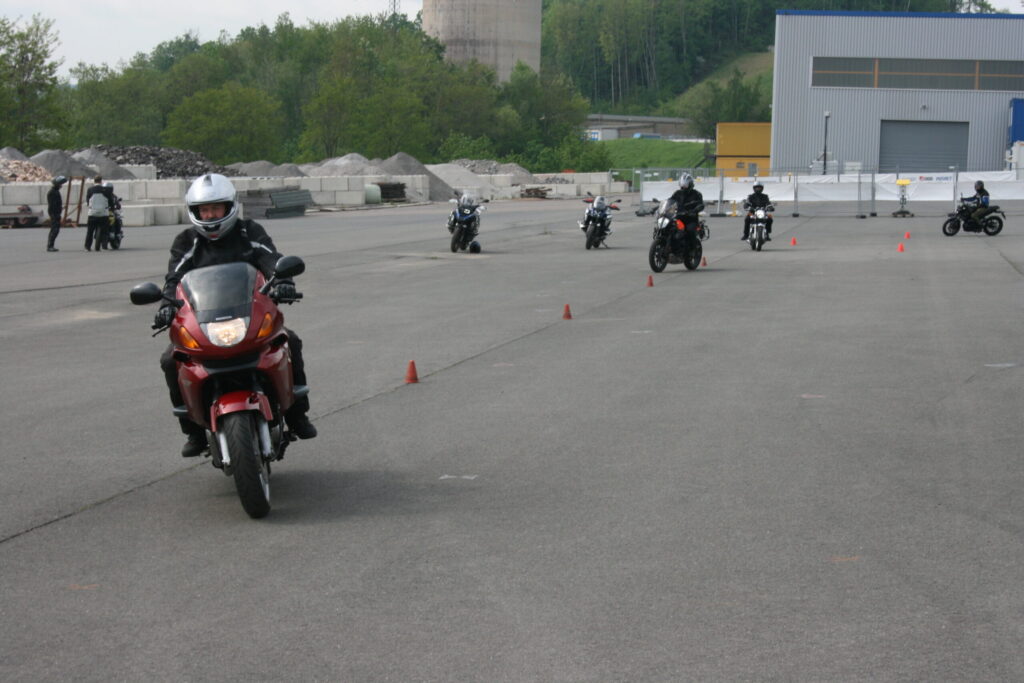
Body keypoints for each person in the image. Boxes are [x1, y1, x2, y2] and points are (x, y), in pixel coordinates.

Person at [154, 173, 317, 457]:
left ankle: (296, 415)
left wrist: (282, 281)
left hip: (248, 313)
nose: (210, 215)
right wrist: (166, 304)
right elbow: (174, 278)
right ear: (194, 211)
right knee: (171, 359)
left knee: (291, 341)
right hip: (204, 319)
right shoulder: (186, 241)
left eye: (215, 208)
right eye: (204, 210)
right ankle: (192, 431)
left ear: (230, 207)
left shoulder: (248, 232)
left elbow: (270, 259)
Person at [667, 174, 705, 248]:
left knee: (689, 231)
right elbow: (670, 201)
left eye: (685, 186)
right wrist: (660, 207)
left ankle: (692, 249)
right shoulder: (677, 193)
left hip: (690, 219)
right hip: (678, 217)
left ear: (690, 185)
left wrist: (695, 210)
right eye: (682, 186)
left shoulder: (696, 194)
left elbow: (701, 204)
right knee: (667, 228)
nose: (683, 188)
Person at [84, 176, 113, 251]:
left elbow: (88, 201)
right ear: (101, 181)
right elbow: (110, 201)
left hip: (92, 214)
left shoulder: (90, 190)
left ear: (94, 181)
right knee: (105, 231)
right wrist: (111, 208)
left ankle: (87, 247)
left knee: (90, 231)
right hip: (103, 214)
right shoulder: (106, 190)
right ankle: (104, 246)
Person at [46, 176, 66, 252]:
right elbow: (53, 205)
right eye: (60, 184)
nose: (61, 186)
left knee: (55, 229)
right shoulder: (52, 192)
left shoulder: (55, 191)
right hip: (54, 213)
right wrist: (56, 212)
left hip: (55, 212)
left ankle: (51, 245)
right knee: (55, 230)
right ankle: (50, 246)